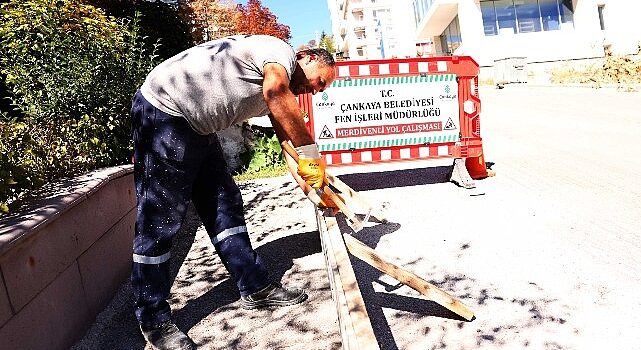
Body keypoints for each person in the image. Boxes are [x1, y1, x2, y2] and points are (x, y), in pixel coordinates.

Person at [130, 34, 336, 350]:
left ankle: (254, 286)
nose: (316, 90)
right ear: (305, 56)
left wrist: (314, 185)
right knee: (160, 222)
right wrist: (312, 155)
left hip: (197, 125)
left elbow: (286, 142)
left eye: (321, 90)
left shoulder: (276, 84)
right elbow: (277, 93)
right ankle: (153, 319)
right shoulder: (279, 54)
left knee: (224, 203)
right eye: (319, 81)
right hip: (164, 111)